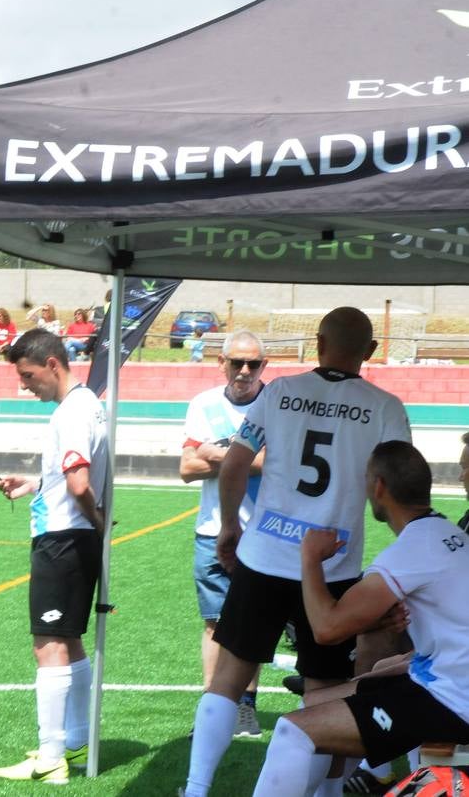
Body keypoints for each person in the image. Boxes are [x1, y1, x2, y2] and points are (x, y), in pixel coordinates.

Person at [180, 307, 412, 797]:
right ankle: (324, 793)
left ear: (319, 343)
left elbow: (234, 464)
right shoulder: (385, 406)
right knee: (324, 690)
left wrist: (229, 527)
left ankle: (196, 789)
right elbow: (395, 486)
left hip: (264, 556)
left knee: (228, 678)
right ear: (370, 351)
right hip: (333, 567)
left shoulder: (279, 391)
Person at [251, 441, 469, 797]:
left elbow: (327, 629)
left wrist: (309, 558)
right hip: (445, 681)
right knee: (315, 705)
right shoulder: (449, 533)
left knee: (293, 731)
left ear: (378, 487)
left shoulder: (412, 550)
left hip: (453, 701)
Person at [0, 327, 109, 786]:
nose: (24, 385)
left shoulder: (71, 412)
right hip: (71, 537)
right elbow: (68, 479)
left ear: (53, 365)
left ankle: (51, 757)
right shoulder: (88, 404)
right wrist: (34, 485)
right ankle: (75, 738)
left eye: (28, 375)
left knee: (48, 644)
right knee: (69, 640)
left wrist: (96, 519)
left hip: (62, 540)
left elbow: (79, 483)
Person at [179, 332, 267, 739]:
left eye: (253, 364)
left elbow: (275, 463)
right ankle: (213, 706)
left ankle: (246, 706)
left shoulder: (276, 403)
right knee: (215, 622)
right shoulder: (203, 404)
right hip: (211, 531)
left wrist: (216, 451)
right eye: (237, 363)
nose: (245, 371)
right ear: (222, 363)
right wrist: (246, 456)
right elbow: (187, 468)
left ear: (264, 366)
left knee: (252, 624)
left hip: (263, 533)